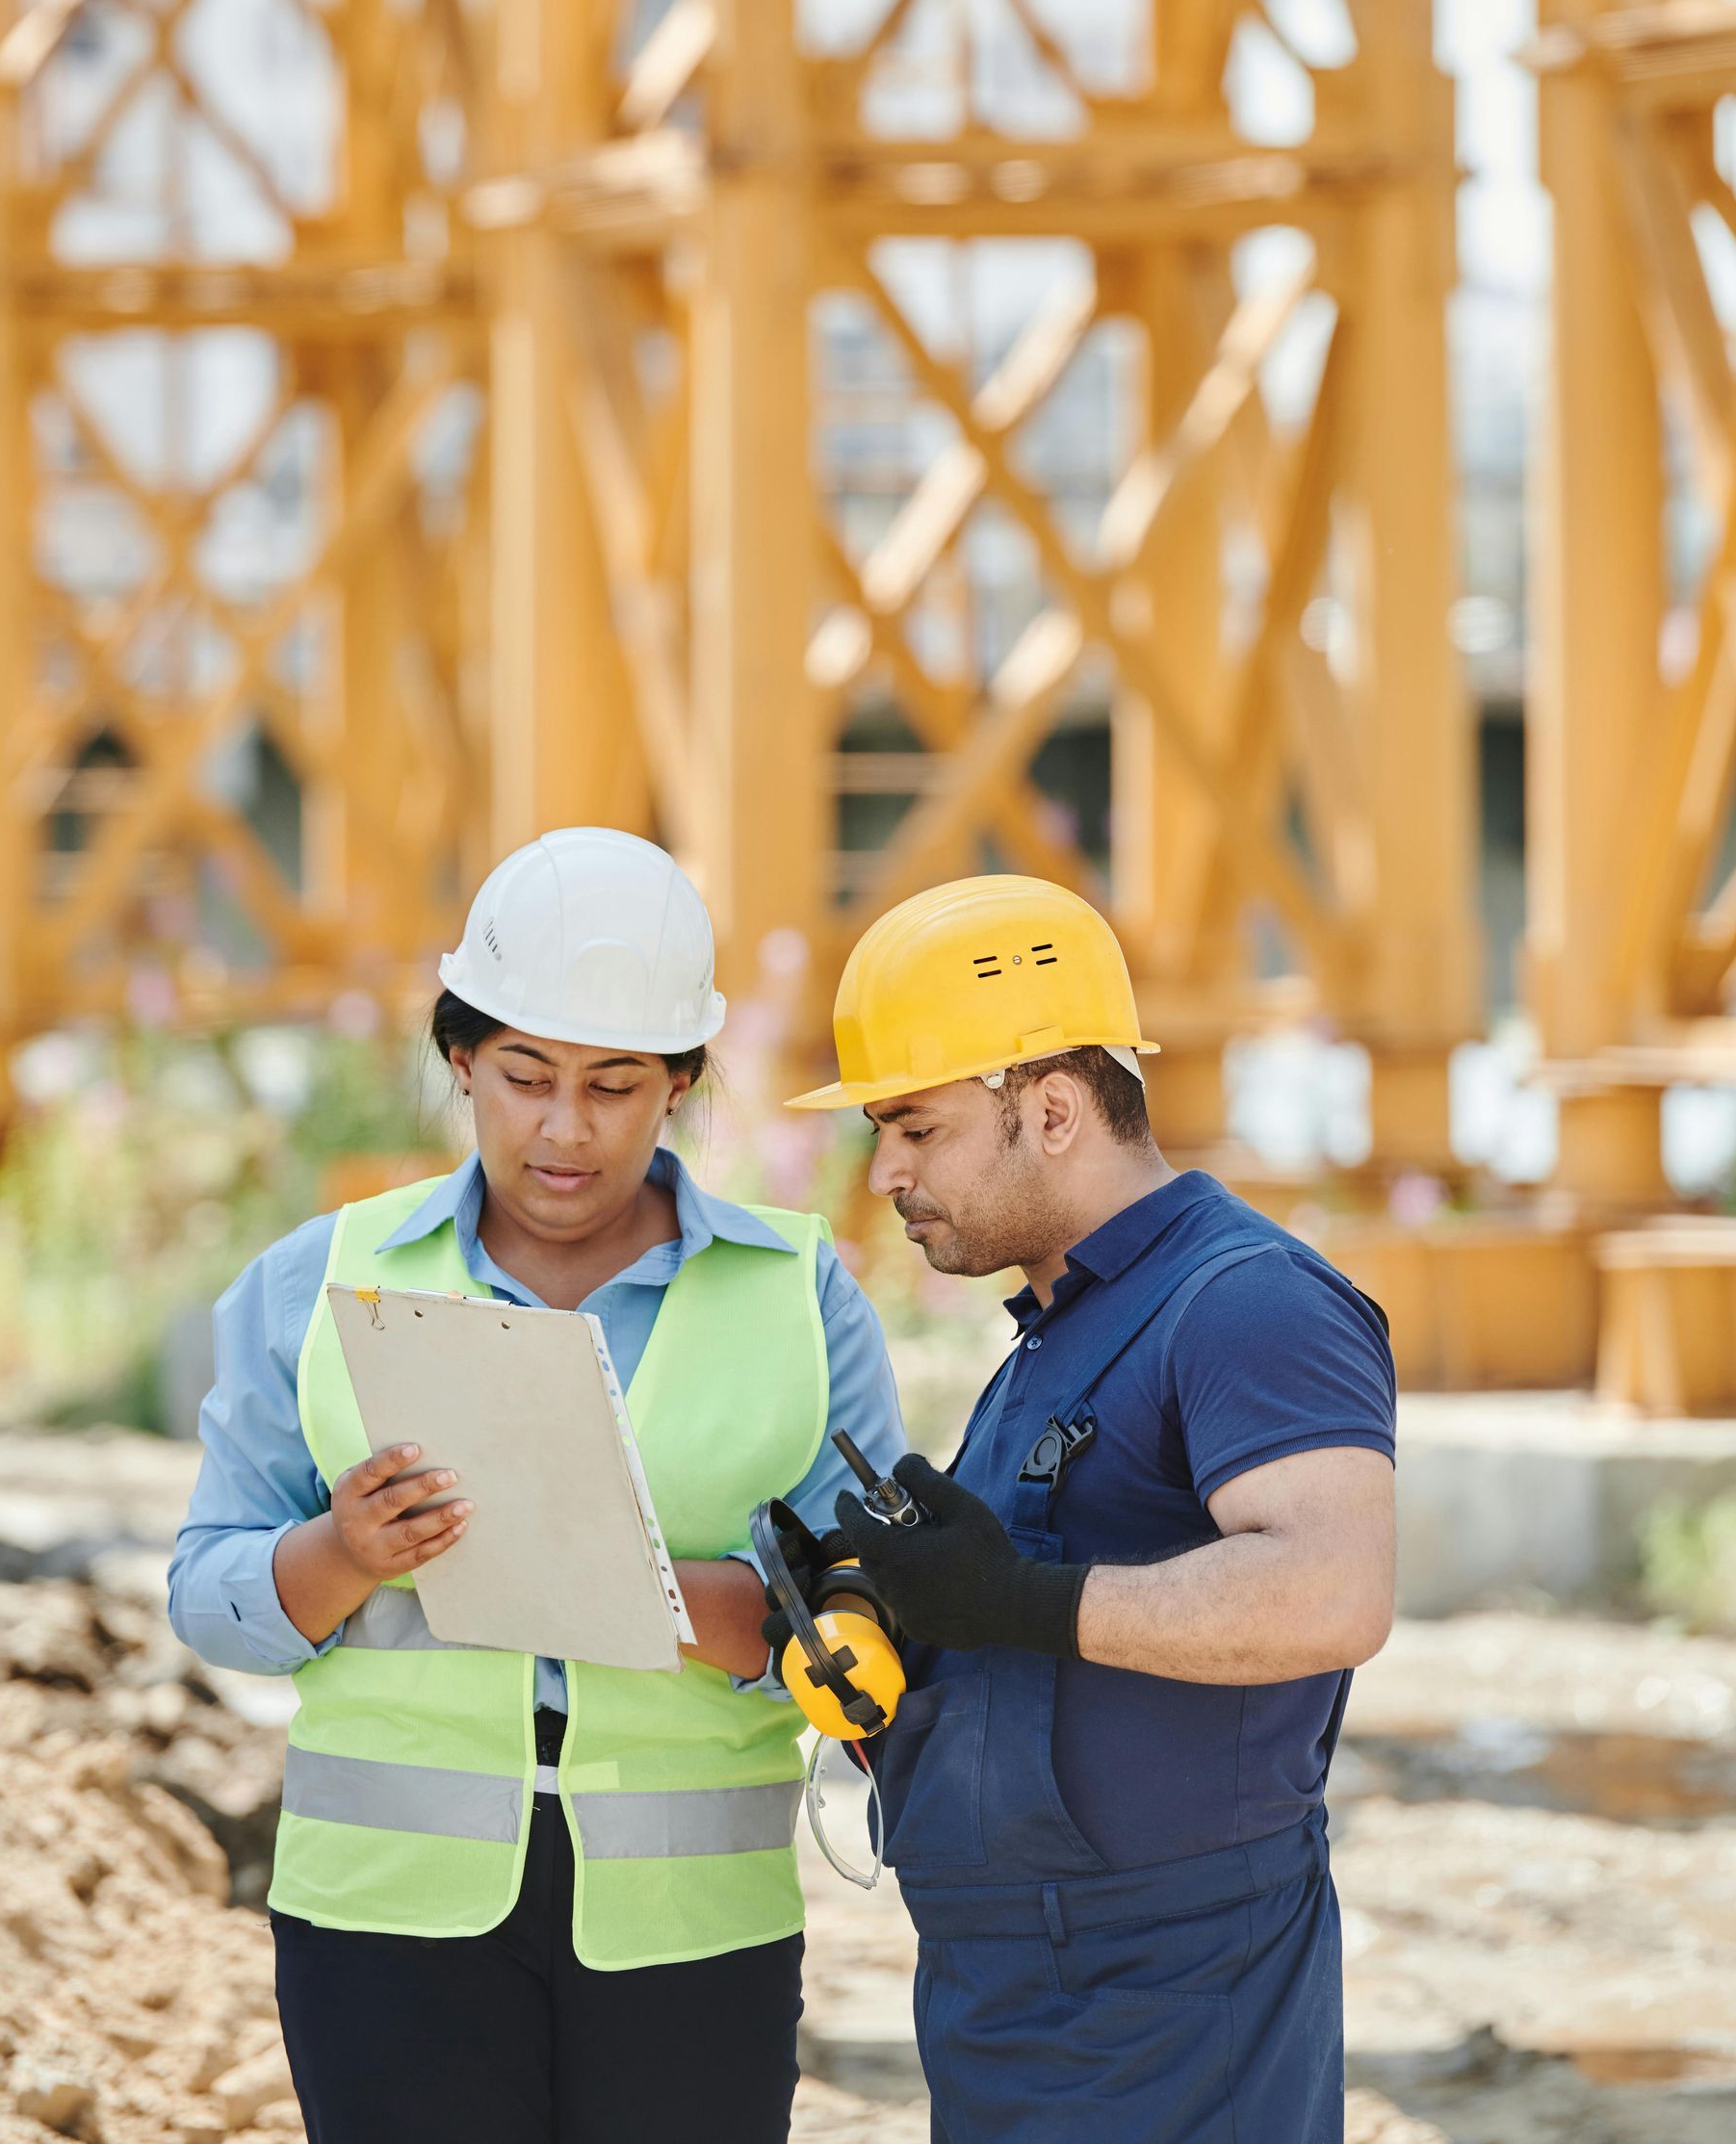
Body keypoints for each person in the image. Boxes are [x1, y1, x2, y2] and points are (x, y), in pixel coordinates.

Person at [168, 827, 904, 2144]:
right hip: (386, 1922)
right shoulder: (318, 1283)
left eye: (617, 1085)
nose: (565, 1131)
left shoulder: (799, 1298)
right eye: (525, 1077)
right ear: (460, 1057)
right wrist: (340, 1555)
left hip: (695, 1926)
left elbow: (875, 1614)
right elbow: (207, 1596)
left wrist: (654, 1597)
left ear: (682, 1080)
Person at [783, 873, 1395, 2144]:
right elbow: (1043, 1638)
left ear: (1052, 1107)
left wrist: (1020, 1600)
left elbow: (1334, 1589)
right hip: (1021, 1991)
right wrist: (885, 1619)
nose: (884, 1168)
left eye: (914, 1126)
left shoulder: (1248, 1303)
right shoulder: (1058, 1333)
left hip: (1169, 1998)